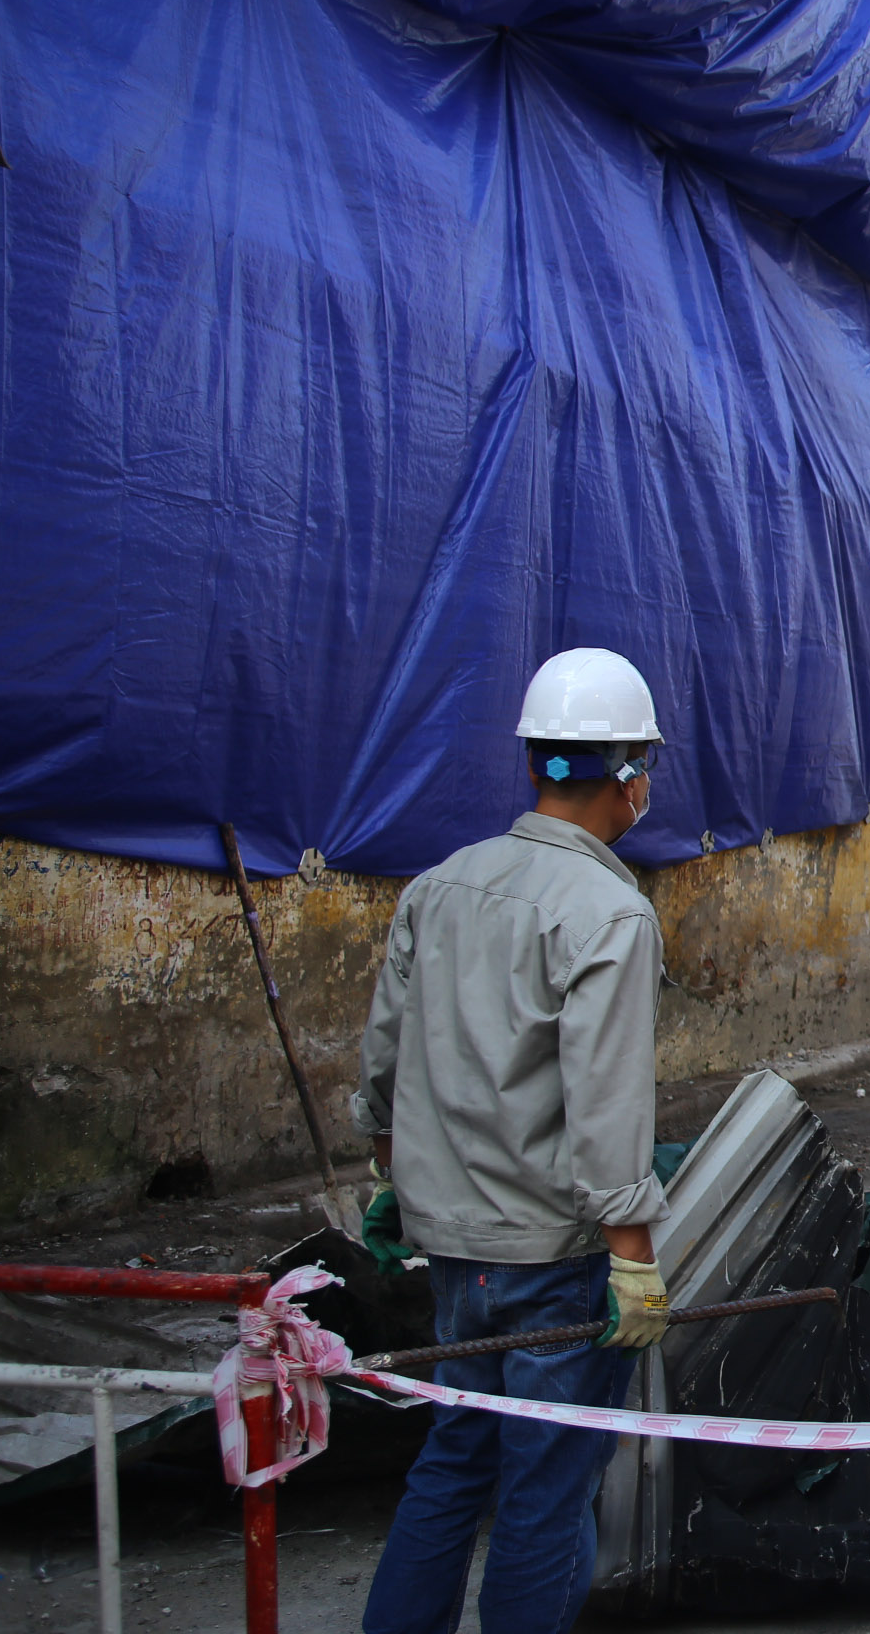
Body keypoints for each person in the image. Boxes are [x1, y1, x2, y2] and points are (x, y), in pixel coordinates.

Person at [352, 647, 675, 1634]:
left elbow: (384, 1057)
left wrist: (390, 1170)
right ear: (625, 778)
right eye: (645, 767)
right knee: (547, 1488)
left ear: (539, 763)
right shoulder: (611, 912)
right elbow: (606, 1099)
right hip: (555, 1257)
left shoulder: (442, 885)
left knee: (454, 1459)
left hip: (456, 1251)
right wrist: (633, 1259)